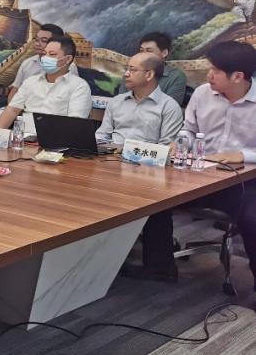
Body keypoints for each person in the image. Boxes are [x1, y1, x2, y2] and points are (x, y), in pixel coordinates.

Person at [123, 41, 256, 283]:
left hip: (241, 183)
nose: (208, 75)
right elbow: (189, 129)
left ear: (237, 76)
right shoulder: (203, 93)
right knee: (152, 197)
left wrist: (243, 155)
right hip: (197, 173)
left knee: (253, 219)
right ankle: (160, 268)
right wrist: (180, 142)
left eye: (215, 70)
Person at [0, 36, 92, 133]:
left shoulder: (79, 87)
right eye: (45, 54)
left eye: (52, 54)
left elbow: (75, 124)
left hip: (55, 140)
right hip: (24, 138)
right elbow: (12, 110)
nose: (46, 58)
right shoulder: (31, 81)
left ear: (68, 59)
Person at [95, 52, 182, 145]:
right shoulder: (116, 101)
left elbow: (167, 146)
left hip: (145, 153)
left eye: (132, 70)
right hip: (111, 152)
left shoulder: (169, 107)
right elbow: (102, 135)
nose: (126, 74)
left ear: (149, 75)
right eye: (126, 69)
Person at [8, 24, 76, 101]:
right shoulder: (28, 63)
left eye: (44, 41)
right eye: (36, 40)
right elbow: (15, 90)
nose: (37, 44)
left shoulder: (68, 66)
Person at [138, 31, 187, 106]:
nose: (143, 55)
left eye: (149, 51)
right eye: (141, 50)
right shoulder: (131, 72)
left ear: (164, 53)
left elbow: (171, 107)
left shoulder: (175, 77)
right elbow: (121, 102)